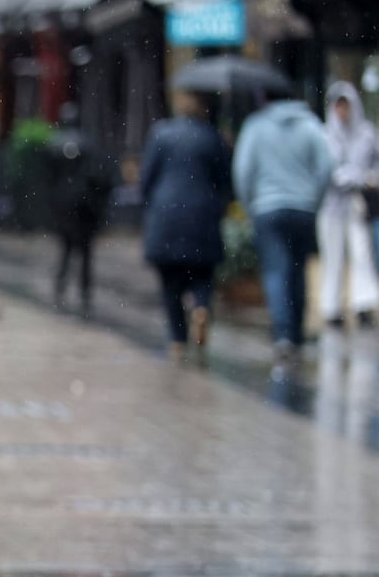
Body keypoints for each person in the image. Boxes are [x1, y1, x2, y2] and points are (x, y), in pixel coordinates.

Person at [233, 90, 335, 370]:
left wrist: (250, 205)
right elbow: (327, 166)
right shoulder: (310, 124)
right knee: (297, 270)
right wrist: (315, 199)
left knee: (276, 270)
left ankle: (283, 335)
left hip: (267, 208)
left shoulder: (256, 125)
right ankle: (297, 334)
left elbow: (243, 170)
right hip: (303, 208)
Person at [139, 92, 234, 364]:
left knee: (170, 283)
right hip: (202, 216)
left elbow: (146, 180)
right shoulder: (211, 137)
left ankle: (177, 340)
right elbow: (225, 181)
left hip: (166, 217)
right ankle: (201, 307)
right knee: (202, 274)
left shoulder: (160, 134)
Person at [319, 80, 379, 329]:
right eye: (338, 107)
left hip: (357, 204)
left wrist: (367, 178)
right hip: (331, 206)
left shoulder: (366, 133)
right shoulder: (325, 136)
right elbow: (324, 170)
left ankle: (363, 304)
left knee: (361, 253)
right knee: (332, 256)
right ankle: (332, 307)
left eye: (346, 107)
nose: (342, 113)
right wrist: (350, 177)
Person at [44, 102, 114, 318]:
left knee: (66, 249)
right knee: (84, 252)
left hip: (64, 204)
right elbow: (99, 176)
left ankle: (61, 285)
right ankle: (83, 291)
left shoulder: (55, 144)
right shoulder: (88, 143)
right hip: (82, 205)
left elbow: (47, 177)